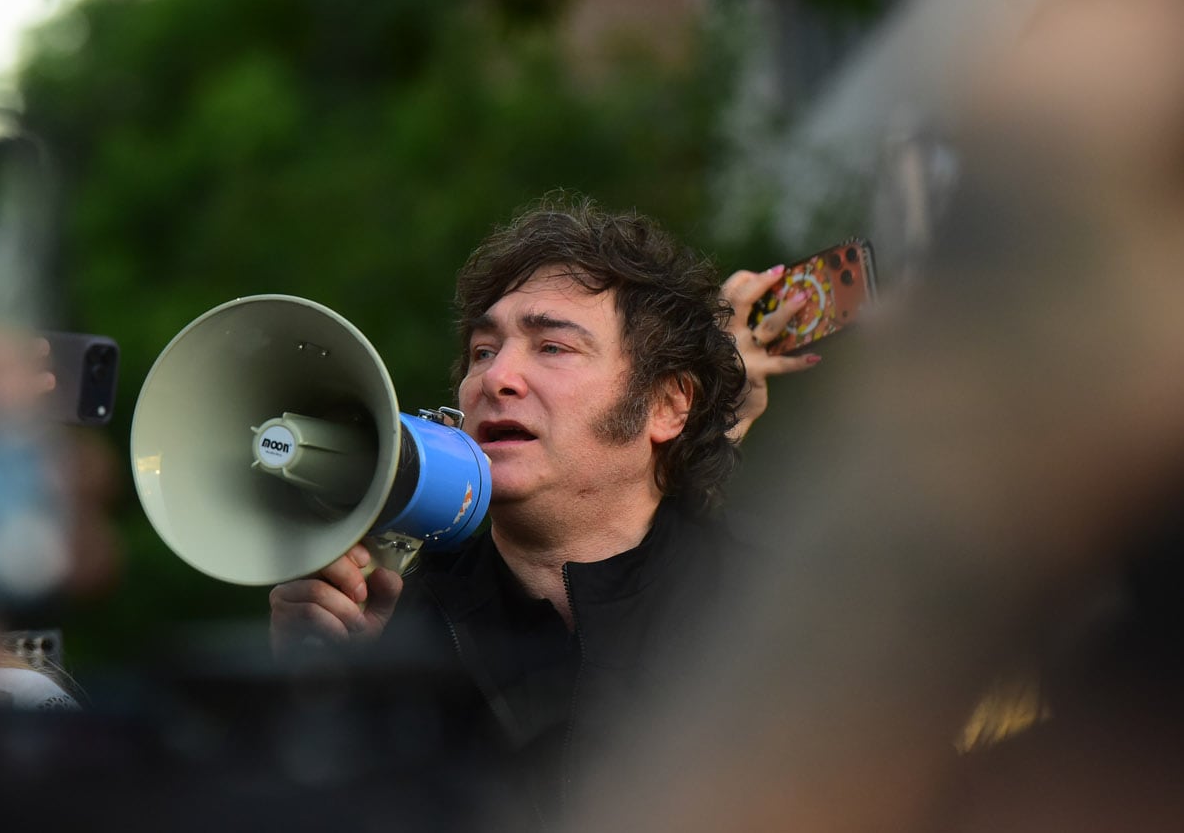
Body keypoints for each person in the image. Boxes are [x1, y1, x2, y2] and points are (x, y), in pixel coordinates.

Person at [268, 193, 818, 827]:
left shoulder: (788, 619)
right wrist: (324, 708)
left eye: (552, 347)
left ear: (668, 406)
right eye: (482, 351)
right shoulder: (395, 628)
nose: (496, 378)